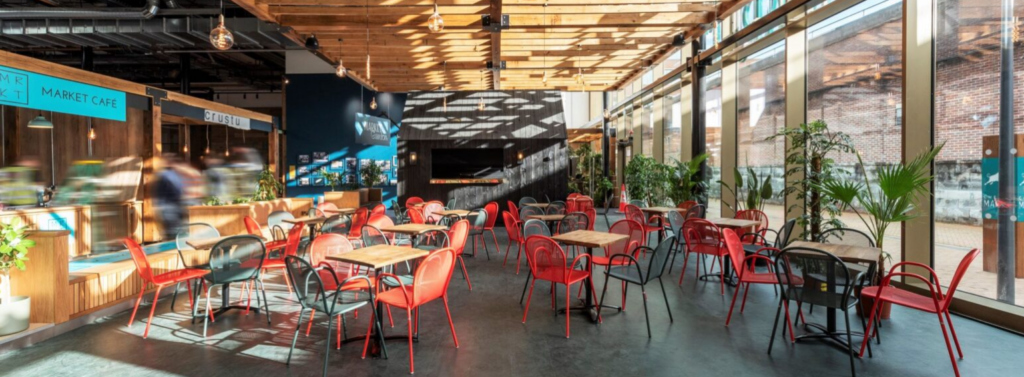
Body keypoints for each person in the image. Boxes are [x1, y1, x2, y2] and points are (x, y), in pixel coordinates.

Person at [153, 155, 186, 240]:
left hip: (167, 206)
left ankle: (172, 247)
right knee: (175, 231)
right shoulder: (173, 174)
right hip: (173, 206)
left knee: (170, 232)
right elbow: (179, 190)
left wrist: (157, 206)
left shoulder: (164, 174)